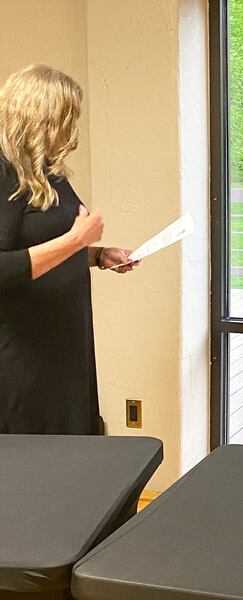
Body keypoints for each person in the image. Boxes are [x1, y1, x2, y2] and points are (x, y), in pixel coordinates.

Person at [0, 64, 138, 435]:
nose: (71, 128)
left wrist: (97, 255)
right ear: (41, 115)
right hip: (22, 354)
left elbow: (45, 245)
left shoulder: (49, 173)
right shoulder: (4, 173)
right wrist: (76, 240)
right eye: (66, 117)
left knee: (74, 451)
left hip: (65, 344)